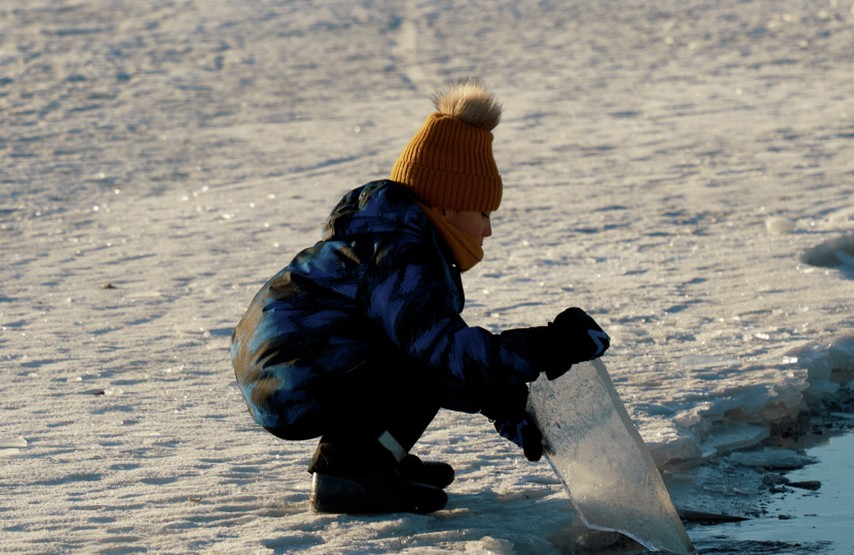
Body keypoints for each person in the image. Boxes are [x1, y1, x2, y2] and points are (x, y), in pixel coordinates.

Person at [230, 78, 609, 515]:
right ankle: (351, 472)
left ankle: (374, 459)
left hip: (293, 371)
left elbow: (438, 352)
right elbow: (443, 353)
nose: (487, 229)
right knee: (419, 365)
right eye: (483, 213)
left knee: (417, 361)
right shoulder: (400, 252)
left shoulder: (401, 241)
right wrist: (549, 345)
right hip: (292, 377)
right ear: (447, 206)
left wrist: (505, 402)